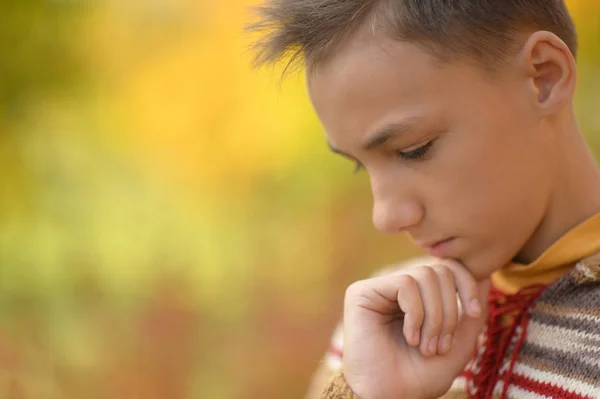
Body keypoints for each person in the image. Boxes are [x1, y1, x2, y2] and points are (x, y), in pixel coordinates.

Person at [248, 1, 600, 398]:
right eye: (360, 166)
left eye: (414, 149)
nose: (385, 217)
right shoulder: (379, 327)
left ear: (544, 77)